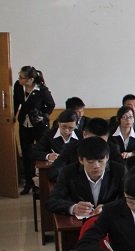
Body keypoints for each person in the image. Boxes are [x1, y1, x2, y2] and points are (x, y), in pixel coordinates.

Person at [47, 137, 125, 217]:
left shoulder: (119, 171)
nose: (96, 166)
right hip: (78, 222)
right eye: (90, 162)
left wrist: (107, 208)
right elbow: (52, 201)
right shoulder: (68, 172)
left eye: (100, 161)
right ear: (81, 160)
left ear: (107, 157)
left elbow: (127, 199)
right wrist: (74, 208)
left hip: (110, 220)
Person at [13, 65, 55, 194]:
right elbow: (15, 102)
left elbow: (51, 105)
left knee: (41, 152)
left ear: (31, 79)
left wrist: (43, 116)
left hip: (39, 126)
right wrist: (12, 116)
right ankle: (28, 183)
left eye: (22, 77)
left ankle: (41, 182)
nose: (19, 79)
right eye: (19, 76)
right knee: (26, 153)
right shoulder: (18, 86)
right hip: (24, 124)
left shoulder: (41, 89)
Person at [47, 117, 124, 182]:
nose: (97, 146)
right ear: (84, 134)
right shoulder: (70, 148)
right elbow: (53, 173)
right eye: (92, 140)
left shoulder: (112, 148)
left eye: (102, 142)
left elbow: (122, 173)